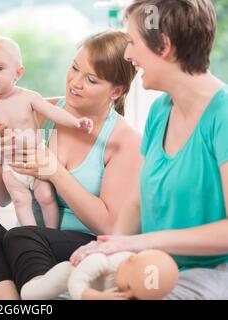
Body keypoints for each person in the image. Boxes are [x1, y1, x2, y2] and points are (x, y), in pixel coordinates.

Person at [0, 30, 142, 299]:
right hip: (27, 246)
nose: (75, 82)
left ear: (117, 90)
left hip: (82, 249)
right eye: (74, 68)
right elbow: (2, 197)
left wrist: (54, 172)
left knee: (22, 236)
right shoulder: (42, 111)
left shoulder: (124, 140)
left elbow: (109, 227)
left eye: (91, 79)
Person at [69, 0, 228, 300]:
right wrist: (109, 245)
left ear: (164, 45)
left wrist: (141, 243)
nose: (128, 54)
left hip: (210, 274)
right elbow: (137, 201)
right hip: (150, 266)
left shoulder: (223, 116)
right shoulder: (160, 110)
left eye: (132, 42)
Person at [0, 36, 93, 229]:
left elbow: (54, 113)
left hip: (36, 161)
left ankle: (51, 233)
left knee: (46, 196)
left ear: (18, 73)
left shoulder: (28, 97)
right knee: (21, 201)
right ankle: (31, 233)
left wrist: (76, 122)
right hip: (11, 166)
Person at [21, 249, 179, 300]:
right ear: (130, 260)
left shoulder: (134, 276)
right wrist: (99, 296)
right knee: (31, 294)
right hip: (69, 277)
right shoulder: (101, 261)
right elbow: (75, 284)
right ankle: (38, 279)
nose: (128, 294)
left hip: (95, 288)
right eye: (129, 287)